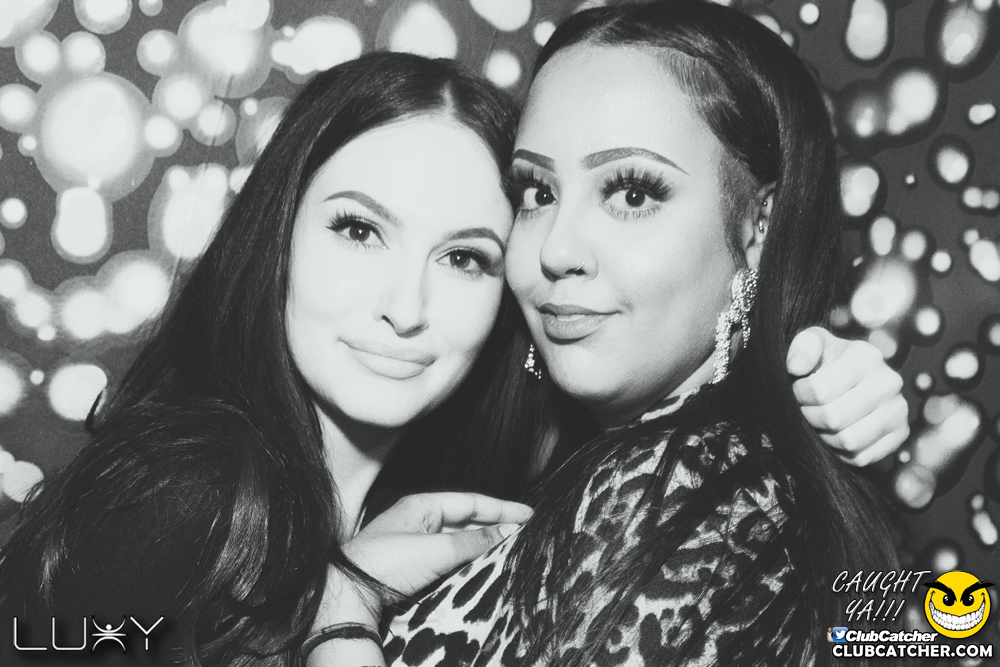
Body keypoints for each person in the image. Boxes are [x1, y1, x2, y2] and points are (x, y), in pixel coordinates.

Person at [0, 49, 902, 667]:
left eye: (465, 257)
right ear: (278, 238)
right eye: (359, 230)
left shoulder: (495, 492)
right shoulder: (193, 487)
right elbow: (46, 641)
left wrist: (813, 410)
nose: (405, 307)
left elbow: (910, 632)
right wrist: (322, 616)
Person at [369, 2, 905, 666]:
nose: (557, 249)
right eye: (538, 191)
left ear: (758, 229)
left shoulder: (702, 490)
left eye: (630, 193)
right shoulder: (615, 464)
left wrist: (337, 617)